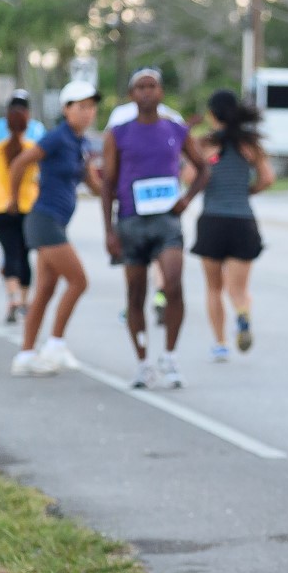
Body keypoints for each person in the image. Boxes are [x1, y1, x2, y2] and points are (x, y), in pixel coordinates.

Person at [101, 68, 208, 389]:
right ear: (132, 95)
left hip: (166, 221)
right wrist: (109, 230)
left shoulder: (175, 129)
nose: (147, 92)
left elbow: (203, 168)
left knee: (173, 284)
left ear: (161, 93)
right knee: (136, 293)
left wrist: (186, 199)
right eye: (140, 87)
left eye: (152, 87)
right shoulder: (118, 134)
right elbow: (107, 184)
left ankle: (170, 356)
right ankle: (143, 361)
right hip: (131, 221)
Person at [7, 81, 102, 375]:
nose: (87, 113)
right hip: (43, 220)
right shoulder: (57, 137)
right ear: (66, 109)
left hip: (56, 223)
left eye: (91, 107)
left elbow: (93, 184)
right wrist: (13, 199)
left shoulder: (80, 143)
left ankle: (25, 356)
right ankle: (55, 344)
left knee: (46, 290)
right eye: (81, 107)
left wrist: (119, 194)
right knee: (79, 281)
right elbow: (20, 162)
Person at [191, 90, 273, 361]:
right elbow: (268, 178)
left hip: (212, 221)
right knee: (238, 289)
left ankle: (220, 343)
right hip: (243, 221)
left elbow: (189, 176)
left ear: (212, 114)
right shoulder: (251, 145)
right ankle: (242, 312)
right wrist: (247, 191)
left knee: (214, 288)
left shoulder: (205, 144)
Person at [0, 110, 39, 324]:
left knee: (10, 254)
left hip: (2, 210)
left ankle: (12, 297)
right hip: (28, 209)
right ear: (27, 126)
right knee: (24, 256)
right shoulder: (33, 149)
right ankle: (24, 301)